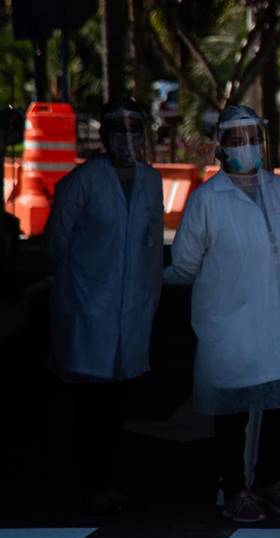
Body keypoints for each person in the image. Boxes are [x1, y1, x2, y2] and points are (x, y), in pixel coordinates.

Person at [168, 105, 280, 523]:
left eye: (252, 137)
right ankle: (234, 488)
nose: (247, 146)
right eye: (237, 139)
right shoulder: (207, 200)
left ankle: (269, 480)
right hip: (229, 322)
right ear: (221, 149)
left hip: (276, 320)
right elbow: (185, 264)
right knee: (233, 411)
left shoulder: (279, 192)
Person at [46, 97, 164, 512]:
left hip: (131, 306)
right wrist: (85, 282)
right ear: (104, 136)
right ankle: (86, 484)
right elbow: (56, 242)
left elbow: (151, 243)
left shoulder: (151, 181)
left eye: (135, 130)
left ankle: (107, 480)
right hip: (88, 305)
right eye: (119, 131)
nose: (127, 139)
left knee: (116, 401)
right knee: (89, 403)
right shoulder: (83, 182)